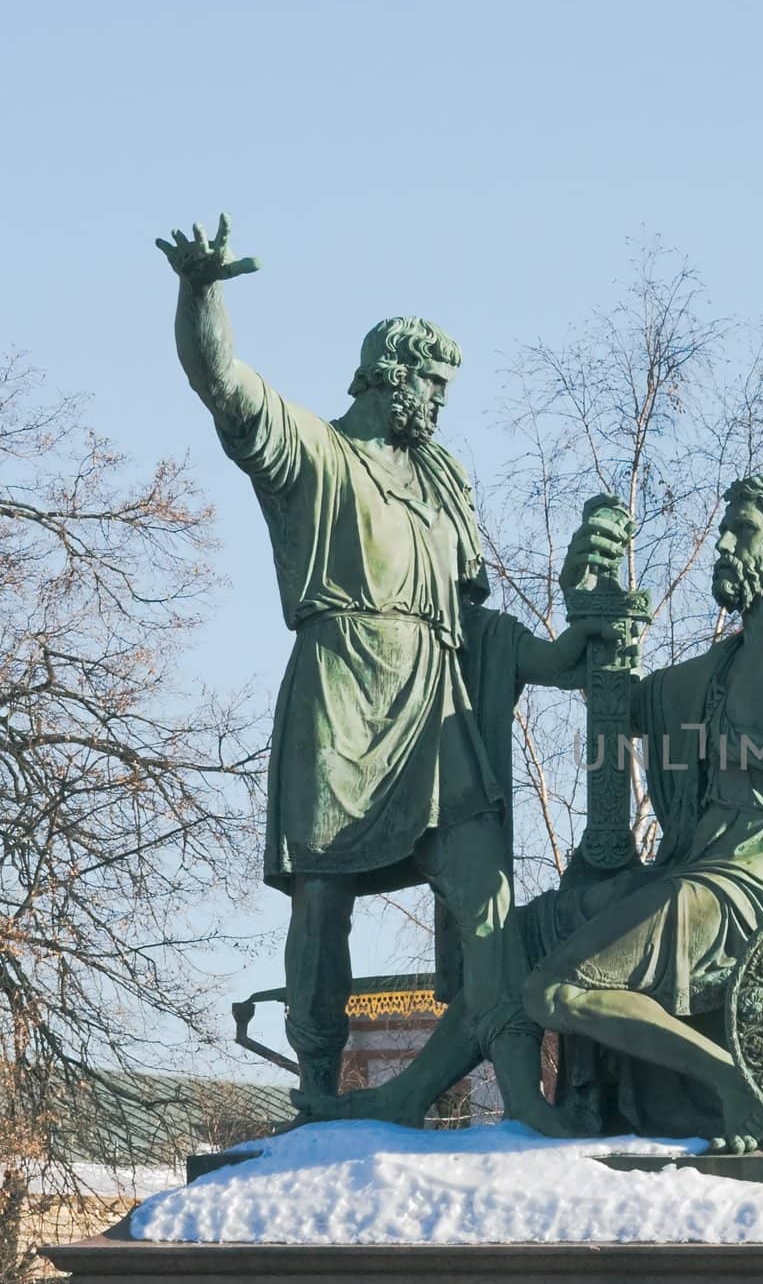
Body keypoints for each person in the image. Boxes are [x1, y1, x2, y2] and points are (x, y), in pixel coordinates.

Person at [157, 215, 599, 1114]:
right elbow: (226, 387)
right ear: (390, 376)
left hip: (432, 705)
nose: (439, 403)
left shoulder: (441, 480)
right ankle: (318, 1087)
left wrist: (561, 653)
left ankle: (520, 1093)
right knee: (323, 899)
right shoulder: (317, 456)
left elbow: (477, 622)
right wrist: (202, 293)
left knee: (483, 887)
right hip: (341, 694)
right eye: (431, 384)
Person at [521, 472, 763, 1151]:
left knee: (555, 989)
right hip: (706, 865)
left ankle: (733, 1083)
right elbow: (620, 703)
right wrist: (588, 606)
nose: (721, 543)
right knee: (531, 933)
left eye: (740, 529)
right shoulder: (728, 658)